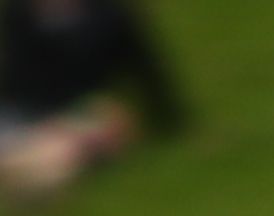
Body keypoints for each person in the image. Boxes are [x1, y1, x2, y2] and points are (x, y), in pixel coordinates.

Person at [0, 0, 185, 203]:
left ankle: (33, 172)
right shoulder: (22, 12)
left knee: (93, 134)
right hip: (23, 110)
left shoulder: (108, 14)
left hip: (80, 108)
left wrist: (167, 116)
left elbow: (144, 66)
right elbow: (18, 78)